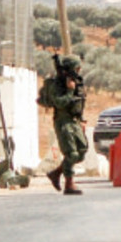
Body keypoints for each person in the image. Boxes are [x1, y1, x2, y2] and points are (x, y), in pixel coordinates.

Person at [37, 54, 88, 195]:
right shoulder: (57, 84)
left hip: (74, 121)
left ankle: (56, 173)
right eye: (76, 68)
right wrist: (69, 90)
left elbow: (79, 101)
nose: (78, 70)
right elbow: (59, 103)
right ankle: (69, 184)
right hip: (63, 121)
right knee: (71, 153)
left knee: (82, 151)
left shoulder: (75, 81)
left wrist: (81, 119)